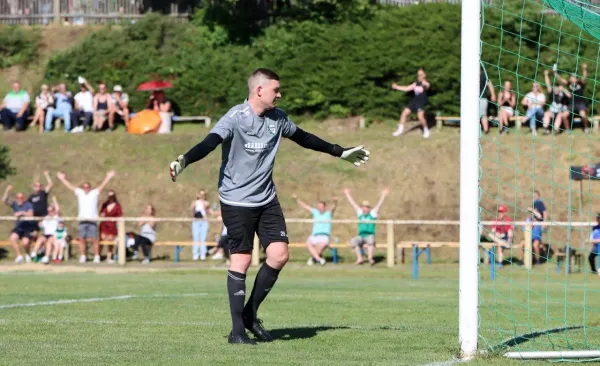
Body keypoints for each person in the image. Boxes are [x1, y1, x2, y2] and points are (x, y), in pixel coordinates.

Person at [168, 68, 370, 345]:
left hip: (266, 199)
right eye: (276, 89)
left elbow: (304, 138)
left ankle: (250, 314)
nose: (280, 94)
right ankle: (237, 331)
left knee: (279, 255)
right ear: (259, 90)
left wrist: (340, 151)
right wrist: (186, 160)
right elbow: (210, 142)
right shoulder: (235, 117)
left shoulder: (278, 118)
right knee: (242, 259)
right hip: (236, 199)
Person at [56, 170, 116, 263]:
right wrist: (63, 179)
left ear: (90, 188)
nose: (86, 188)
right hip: (82, 220)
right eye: (84, 187)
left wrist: (108, 177)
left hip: (92, 220)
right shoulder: (79, 192)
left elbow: (102, 186)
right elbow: (70, 187)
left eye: (87, 187)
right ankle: (83, 256)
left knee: (95, 239)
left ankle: (96, 256)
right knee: (82, 239)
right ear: (82, 188)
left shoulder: (94, 193)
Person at [342, 188, 390, 265]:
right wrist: (347, 194)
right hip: (361, 235)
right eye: (363, 207)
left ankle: (370, 258)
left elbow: (379, 204)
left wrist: (383, 195)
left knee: (370, 242)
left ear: (368, 208)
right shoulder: (360, 213)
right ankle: (359, 258)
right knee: (354, 241)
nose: (364, 209)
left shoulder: (373, 213)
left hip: (369, 235)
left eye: (366, 207)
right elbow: (353, 204)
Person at [292, 193, 338, 266]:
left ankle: (313, 258)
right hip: (315, 235)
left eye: (321, 207)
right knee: (309, 242)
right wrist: (297, 199)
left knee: (319, 247)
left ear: (324, 207)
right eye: (318, 207)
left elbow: (334, 207)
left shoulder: (328, 214)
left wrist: (335, 201)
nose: (319, 208)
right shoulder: (315, 212)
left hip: (324, 236)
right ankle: (319, 259)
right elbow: (305, 206)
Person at [391, 68, 431, 138]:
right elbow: (407, 88)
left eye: (421, 75)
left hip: (421, 102)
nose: (419, 76)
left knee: (420, 117)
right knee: (404, 113)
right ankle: (400, 130)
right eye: (418, 75)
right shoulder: (415, 83)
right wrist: (397, 87)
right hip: (414, 101)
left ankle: (426, 130)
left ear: (424, 75)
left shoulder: (426, 84)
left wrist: (424, 83)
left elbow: (427, 86)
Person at [2, 186, 35, 263]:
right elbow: (4, 200)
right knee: (12, 238)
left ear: (23, 198)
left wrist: (22, 213)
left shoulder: (28, 204)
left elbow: (31, 214)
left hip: (27, 227)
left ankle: (27, 254)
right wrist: (7, 190)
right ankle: (19, 256)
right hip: (19, 227)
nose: (19, 199)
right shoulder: (14, 203)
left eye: (21, 198)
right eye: (18, 198)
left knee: (25, 243)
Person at [556, 63, 588, 133]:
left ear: (576, 79)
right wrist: (555, 72)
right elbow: (561, 79)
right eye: (572, 77)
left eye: (574, 77)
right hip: (571, 104)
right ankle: (568, 129)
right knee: (564, 116)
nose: (572, 78)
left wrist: (584, 69)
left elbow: (584, 76)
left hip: (580, 104)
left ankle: (586, 128)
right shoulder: (569, 84)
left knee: (583, 115)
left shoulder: (580, 84)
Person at [30, 196, 60, 264]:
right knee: (40, 239)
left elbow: (58, 209)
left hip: (53, 235)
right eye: (49, 211)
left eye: (52, 211)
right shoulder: (46, 218)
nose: (50, 212)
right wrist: (39, 223)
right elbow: (41, 226)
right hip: (46, 234)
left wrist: (55, 201)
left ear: (54, 211)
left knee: (49, 241)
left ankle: (46, 257)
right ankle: (34, 253)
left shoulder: (56, 217)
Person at [543, 69, 570, 134]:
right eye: (555, 87)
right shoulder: (551, 93)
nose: (556, 89)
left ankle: (555, 129)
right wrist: (546, 75)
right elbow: (548, 84)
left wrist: (563, 89)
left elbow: (569, 96)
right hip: (552, 112)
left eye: (557, 87)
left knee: (560, 115)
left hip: (560, 112)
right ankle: (545, 129)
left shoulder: (563, 93)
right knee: (546, 114)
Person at [99, 190, 123, 264]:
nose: (110, 198)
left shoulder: (117, 206)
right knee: (102, 240)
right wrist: (101, 215)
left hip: (112, 226)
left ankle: (109, 257)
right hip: (104, 225)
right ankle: (98, 256)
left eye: (112, 196)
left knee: (110, 241)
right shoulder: (105, 204)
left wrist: (115, 219)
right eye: (109, 196)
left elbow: (120, 216)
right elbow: (101, 213)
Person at [527, 190, 548, 264]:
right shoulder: (534, 203)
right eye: (533, 196)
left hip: (538, 227)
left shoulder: (539, 203)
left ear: (538, 196)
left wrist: (544, 223)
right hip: (533, 227)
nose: (534, 197)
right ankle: (525, 260)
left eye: (535, 196)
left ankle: (538, 259)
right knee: (526, 243)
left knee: (536, 244)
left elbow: (544, 213)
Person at [191, 189, 213, 261]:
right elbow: (192, 209)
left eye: (203, 195)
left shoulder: (206, 203)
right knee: (196, 237)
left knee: (203, 238)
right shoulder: (195, 202)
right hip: (196, 221)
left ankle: (203, 253)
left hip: (204, 221)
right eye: (201, 194)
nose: (202, 196)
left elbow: (210, 211)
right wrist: (195, 206)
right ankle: (195, 254)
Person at [480, 68, 496, 134]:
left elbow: (490, 84)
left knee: (483, 114)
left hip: (482, 98)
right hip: (472, 99)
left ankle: (486, 130)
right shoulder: (470, 75)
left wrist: (493, 94)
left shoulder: (484, 76)